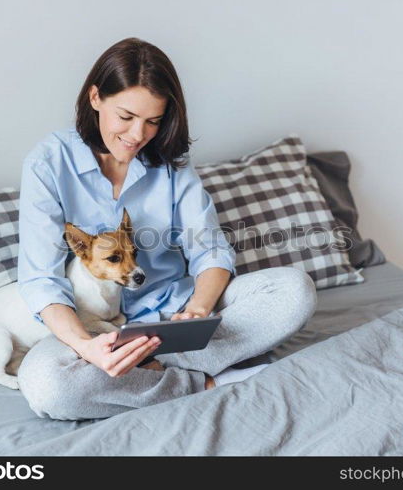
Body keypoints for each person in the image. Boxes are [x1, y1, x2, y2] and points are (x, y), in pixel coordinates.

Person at [16, 37, 317, 420]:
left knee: (294, 291)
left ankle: (149, 376)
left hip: (175, 314)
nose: (138, 135)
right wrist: (87, 348)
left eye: (153, 121)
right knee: (48, 386)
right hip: (98, 330)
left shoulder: (171, 162)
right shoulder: (48, 164)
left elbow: (209, 249)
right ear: (95, 98)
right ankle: (207, 383)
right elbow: (40, 279)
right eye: (126, 117)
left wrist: (198, 310)